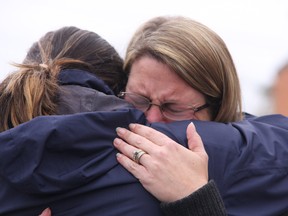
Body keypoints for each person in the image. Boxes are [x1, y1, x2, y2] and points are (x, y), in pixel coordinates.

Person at [1, 16, 288, 216]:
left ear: (219, 107)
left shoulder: (257, 173)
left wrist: (196, 198)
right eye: (138, 100)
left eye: (173, 108)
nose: (150, 118)